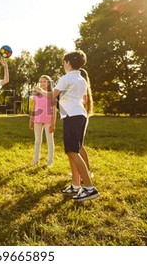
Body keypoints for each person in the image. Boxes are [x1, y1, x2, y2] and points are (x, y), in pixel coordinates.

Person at [34, 50, 99, 201]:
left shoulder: (66, 78)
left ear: (68, 63)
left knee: (72, 151)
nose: (63, 65)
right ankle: (76, 185)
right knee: (73, 150)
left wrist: (40, 90)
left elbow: (52, 96)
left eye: (64, 62)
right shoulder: (81, 79)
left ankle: (89, 188)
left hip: (72, 117)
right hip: (78, 115)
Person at [29, 75, 56, 167]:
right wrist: (31, 119)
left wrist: (53, 123)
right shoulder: (36, 94)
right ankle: (35, 160)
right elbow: (34, 107)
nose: (42, 83)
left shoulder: (52, 94)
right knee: (37, 141)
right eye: (40, 82)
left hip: (48, 120)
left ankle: (50, 161)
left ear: (48, 83)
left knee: (50, 141)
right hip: (37, 119)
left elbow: (54, 110)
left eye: (44, 81)